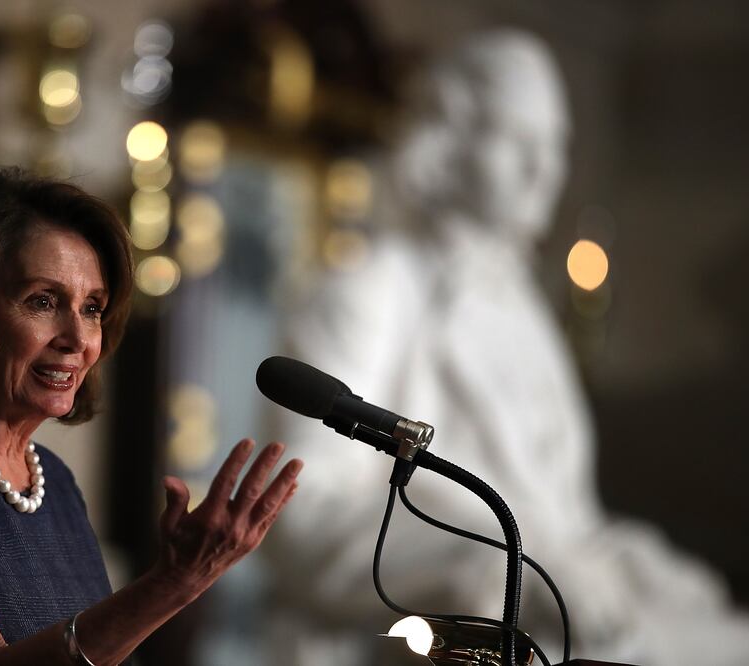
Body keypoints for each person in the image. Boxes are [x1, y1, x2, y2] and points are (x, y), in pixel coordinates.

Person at [262, 29, 748, 665]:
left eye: (554, 146)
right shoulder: (371, 292)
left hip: (558, 616)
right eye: (517, 142)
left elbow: (563, 518)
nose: (542, 169)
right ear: (449, 140)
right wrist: (494, 563)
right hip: (445, 630)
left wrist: (629, 559)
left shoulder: (524, 312)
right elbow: (300, 518)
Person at [0, 167, 303, 666]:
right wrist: (172, 584)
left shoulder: (56, 486)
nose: (77, 338)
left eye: (92, 307)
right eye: (43, 301)